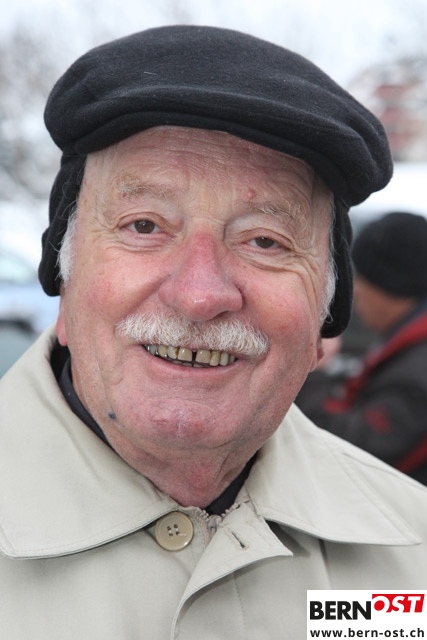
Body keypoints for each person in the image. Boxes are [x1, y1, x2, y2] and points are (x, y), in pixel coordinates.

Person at [1, 25, 427, 640]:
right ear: (65, 283)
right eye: (144, 226)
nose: (200, 296)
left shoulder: (411, 559)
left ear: (324, 317)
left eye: (264, 241)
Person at [296, 211, 427, 485]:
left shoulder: (417, 371)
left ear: (391, 284)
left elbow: (352, 449)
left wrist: (313, 371)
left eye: (361, 278)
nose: (356, 294)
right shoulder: (408, 346)